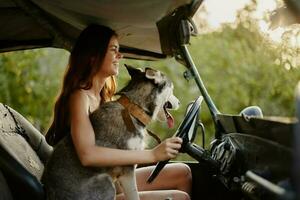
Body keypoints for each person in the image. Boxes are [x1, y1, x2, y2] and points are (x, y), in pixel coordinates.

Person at [45, 24, 192, 200]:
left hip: (107, 180)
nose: (119, 55)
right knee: (180, 198)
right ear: (93, 56)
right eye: (114, 50)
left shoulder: (104, 99)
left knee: (183, 172)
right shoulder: (79, 97)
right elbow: (87, 155)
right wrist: (152, 154)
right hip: (86, 191)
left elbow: (117, 156)